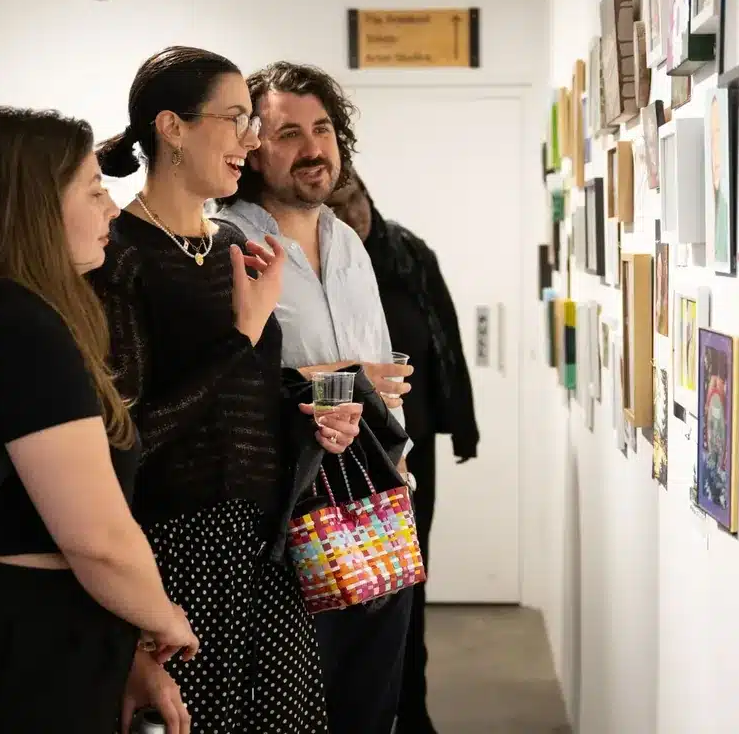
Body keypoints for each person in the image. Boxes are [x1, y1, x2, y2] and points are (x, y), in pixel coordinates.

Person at [0, 106, 197, 734]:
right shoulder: (16, 325)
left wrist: (125, 644)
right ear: (34, 208)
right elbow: (96, 536)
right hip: (10, 657)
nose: (111, 208)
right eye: (94, 190)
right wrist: (163, 618)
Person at [91, 46, 364, 734]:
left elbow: (249, 400)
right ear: (172, 129)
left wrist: (316, 417)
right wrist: (241, 334)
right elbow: (125, 437)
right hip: (176, 553)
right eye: (236, 118)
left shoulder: (230, 250)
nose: (250, 139)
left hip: (268, 541)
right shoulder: (119, 255)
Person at [214, 61, 417, 734]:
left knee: (372, 703)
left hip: (373, 500)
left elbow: (378, 370)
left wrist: (401, 467)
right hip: (283, 513)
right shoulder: (231, 244)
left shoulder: (348, 241)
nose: (313, 149)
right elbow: (236, 382)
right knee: (297, 709)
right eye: (289, 133)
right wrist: (347, 378)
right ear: (252, 149)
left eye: (323, 129)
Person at [325, 169, 479, 734]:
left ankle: (412, 709)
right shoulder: (323, 268)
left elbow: (446, 339)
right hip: (342, 446)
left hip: (411, 445)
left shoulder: (410, 254)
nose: (353, 215)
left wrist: (463, 425)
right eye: (338, 207)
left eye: (356, 200)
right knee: (355, 588)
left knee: (409, 578)